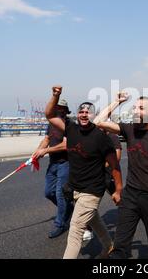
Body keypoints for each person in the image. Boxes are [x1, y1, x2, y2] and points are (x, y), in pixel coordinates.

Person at [96, 93, 148, 259]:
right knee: (120, 247)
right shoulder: (128, 129)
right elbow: (98, 121)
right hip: (130, 196)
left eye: (141, 108)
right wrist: (117, 101)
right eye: (134, 107)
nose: (135, 111)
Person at [45, 86, 123, 259]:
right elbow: (50, 115)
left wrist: (118, 190)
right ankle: (110, 247)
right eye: (81, 111)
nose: (84, 114)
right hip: (75, 188)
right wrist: (55, 96)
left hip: (92, 191)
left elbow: (115, 166)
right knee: (94, 219)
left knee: (75, 229)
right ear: (77, 114)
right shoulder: (71, 129)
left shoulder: (102, 138)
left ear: (94, 116)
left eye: (88, 112)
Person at [32, 99, 73, 238]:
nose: (58, 110)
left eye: (61, 108)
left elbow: (66, 145)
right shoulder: (51, 124)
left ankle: (60, 224)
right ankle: (69, 209)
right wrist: (37, 152)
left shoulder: (69, 125)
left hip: (66, 163)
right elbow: (46, 139)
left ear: (65, 110)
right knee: (49, 193)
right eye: (56, 107)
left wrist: (46, 151)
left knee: (61, 195)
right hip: (53, 163)